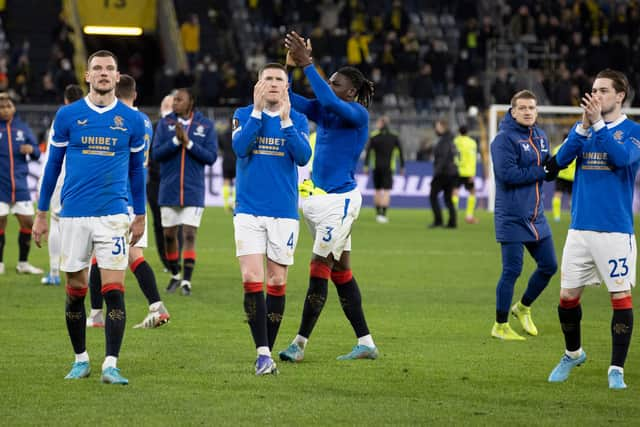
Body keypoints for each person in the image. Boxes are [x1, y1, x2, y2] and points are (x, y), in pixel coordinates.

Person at [33, 50, 147, 385]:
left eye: (109, 68)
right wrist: (42, 212)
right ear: (87, 76)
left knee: (114, 289)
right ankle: (81, 358)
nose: (103, 73)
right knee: (76, 289)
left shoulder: (132, 120)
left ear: (117, 76)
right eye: (97, 68)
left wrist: (139, 215)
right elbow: (53, 166)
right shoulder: (68, 116)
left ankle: (111, 363)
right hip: (73, 215)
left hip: (113, 214)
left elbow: (137, 172)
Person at [278, 31, 378, 362]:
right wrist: (291, 66)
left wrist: (309, 64)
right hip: (318, 201)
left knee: (319, 267)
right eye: (330, 81)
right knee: (341, 273)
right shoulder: (327, 112)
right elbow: (289, 99)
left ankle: (299, 344)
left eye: (336, 83)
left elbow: (329, 100)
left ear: (350, 92)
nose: (329, 87)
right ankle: (366, 343)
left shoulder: (358, 115)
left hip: (341, 203)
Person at [546, 69, 639, 389]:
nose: (595, 95)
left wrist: (597, 125)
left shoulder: (632, 131)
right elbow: (559, 163)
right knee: (567, 297)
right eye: (593, 90)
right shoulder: (584, 128)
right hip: (580, 228)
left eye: (602, 90)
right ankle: (573, 353)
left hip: (614, 230)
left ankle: (616, 369)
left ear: (619, 95)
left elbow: (621, 160)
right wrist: (582, 128)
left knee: (620, 296)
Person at [232, 62, 311, 375]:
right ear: (259, 84)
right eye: (268, 79)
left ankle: (265, 350)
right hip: (248, 211)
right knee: (252, 279)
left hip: (283, 213)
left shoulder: (298, 119)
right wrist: (255, 111)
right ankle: (263, 353)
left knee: (277, 281)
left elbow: (303, 157)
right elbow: (239, 147)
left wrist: (287, 121)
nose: (274, 83)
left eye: (280, 79)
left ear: (287, 86)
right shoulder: (242, 115)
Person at [86, 74, 170, 330]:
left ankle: (99, 314)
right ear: (135, 94)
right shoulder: (144, 121)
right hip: (136, 195)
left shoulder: (114, 119)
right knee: (128, 255)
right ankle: (153, 307)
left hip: (113, 195)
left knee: (103, 255)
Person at [490, 89, 557, 341]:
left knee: (549, 265)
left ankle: (523, 307)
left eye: (532, 108)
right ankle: (500, 325)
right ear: (513, 111)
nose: (528, 112)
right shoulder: (503, 140)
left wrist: (556, 165)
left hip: (536, 216)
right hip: (512, 216)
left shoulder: (540, 136)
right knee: (512, 270)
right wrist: (543, 171)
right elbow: (509, 175)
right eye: (523, 108)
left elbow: (547, 167)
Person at [151, 87, 217, 296]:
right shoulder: (165, 123)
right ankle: (175, 274)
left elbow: (211, 157)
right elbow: (156, 154)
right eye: (174, 99)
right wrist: (174, 141)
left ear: (191, 102)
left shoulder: (205, 126)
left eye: (179, 99)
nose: (174, 103)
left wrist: (188, 144)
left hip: (193, 190)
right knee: (169, 236)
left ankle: (186, 281)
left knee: (189, 233)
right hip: (169, 189)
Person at [40, 84, 84, 285]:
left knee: (56, 221)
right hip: (81, 176)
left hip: (59, 175)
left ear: (66, 100)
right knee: (85, 223)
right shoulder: (89, 116)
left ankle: (54, 272)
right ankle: (86, 270)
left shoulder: (61, 117)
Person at [0, 92, 43, 275]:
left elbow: (38, 154)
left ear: (14, 108)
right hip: (0, 186)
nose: (5, 109)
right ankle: (0, 263)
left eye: (8, 106)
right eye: (2, 107)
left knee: (27, 223)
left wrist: (31, 149)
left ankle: (23, 263)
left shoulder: (23, 128)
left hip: (20, 185)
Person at [147, 92, 176, 272]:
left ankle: (175, 258)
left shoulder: (182, 128)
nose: (168, 108)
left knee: (176, 223)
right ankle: (166, 260)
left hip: (175, 182)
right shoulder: (154, 128)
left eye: (172, 105)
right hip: (156, 182)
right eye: (166, 104)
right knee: (159, 223)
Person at [363, 115, 405, 224]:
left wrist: (366, 166)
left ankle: (378, 214)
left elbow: (368, 152)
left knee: (377, 191)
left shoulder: (374, 136)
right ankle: (383, 214)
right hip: (388, 168)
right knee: (386, 191)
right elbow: (400, 152)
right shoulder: (394, 136)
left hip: (376, 167)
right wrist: (402, 166)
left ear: (381, 124)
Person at [428, 119, 458, 229]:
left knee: (433, 196)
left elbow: (443, 158)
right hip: (451, 172)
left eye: (437, 126)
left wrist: (436, 173)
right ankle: (452, 222)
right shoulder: (450, 139)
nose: (436, 129)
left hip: (443, 173)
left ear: (442, 127)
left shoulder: (444, 140)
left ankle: (438, 220)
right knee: (448, 198)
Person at [452, 125, 479, 224]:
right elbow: (472, 159)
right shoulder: (471, 143)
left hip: (456, 171)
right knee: (472, 192)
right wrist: (472, 173)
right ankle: (469, 216)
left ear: (459, 132)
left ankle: (453, 215)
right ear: (467, 132)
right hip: (468, 172)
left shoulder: (455, 141)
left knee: (455, 192)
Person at [550, 137, 575, 222]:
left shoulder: (557, 148)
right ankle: (573, 217)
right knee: (573, 199)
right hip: (572, 177)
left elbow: (554, 162)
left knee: (557, 195)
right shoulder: (574, 148)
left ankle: (556, 216)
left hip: (560, 176)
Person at [218, 121, 236, 213]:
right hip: (236, 161)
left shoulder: (223, 134)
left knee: (226, 181)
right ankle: (233, 203)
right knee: (237, 182)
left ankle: (226, 205)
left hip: (226, 161)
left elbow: (220, 146)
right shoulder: (237, 134)